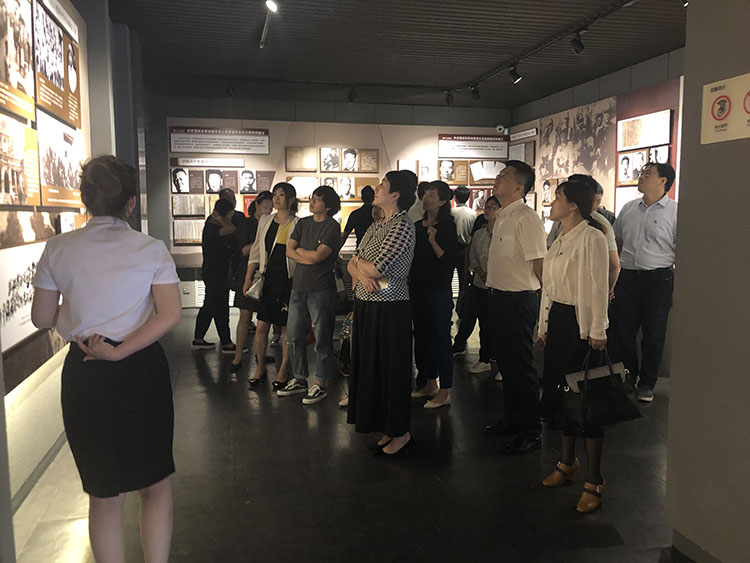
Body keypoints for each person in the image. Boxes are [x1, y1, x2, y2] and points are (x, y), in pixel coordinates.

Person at [31, 155, 181, 562]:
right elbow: (170, 314)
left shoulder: (58, 248)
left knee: (103, 493)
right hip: (141, 369)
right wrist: (119, 351)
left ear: (85, 199)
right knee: (154, 485)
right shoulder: (150, 249)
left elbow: (42, 317)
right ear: (130, 202)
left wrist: (78, 321)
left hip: (85, 370)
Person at [537, 178, 610, 513]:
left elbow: (598, 287)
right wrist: (544, 326)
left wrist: (598, 330)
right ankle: (567, 463)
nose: (552, 203)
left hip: (581, 327)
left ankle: (594, 479)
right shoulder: (561, 238)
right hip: (560, 323)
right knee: (562, 395)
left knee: (586, 402)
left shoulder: (592, 238)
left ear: (573, 206)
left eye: (557, 197)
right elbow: (550, 288)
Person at [347, 170, 416, 456]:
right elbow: (352, 263)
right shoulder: (378, 223)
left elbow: (376, 268)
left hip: (391, 307)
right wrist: (361, 270)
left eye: (383, 185)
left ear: (396, 194)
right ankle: (385, 426)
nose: (377, 188)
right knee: (372, 368)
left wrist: (361, 267)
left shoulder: (402, 225)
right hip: (367, 303)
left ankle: (400, 430)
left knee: (391, 370)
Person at [482, 160, 547, 455]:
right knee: (506, 365)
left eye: (505, 176)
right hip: (498, 297)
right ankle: (512, 418)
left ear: (519, 188)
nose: (498, 178)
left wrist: (545, 307)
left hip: (519, 300)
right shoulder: (502, 216)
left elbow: (540, 264)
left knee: (521, 367)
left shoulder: (526, 218)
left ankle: (531, 430)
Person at [611, 162, 677, 402]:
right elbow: (617, 243)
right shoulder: (629, 208)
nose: (641, 177)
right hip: (627, 277)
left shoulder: (675, 211)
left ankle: (647, 383)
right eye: (641, 173)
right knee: (623, 331)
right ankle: (628, 376)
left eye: (648, 174)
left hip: (658, 279)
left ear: (663, 181)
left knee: (654, 334)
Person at [280, 186, 341, 403]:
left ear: (328, 205)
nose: (312, 202)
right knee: (294, 336)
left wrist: (302, 254)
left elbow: (318, 257)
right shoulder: (303, 223)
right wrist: (308, 255)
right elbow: (289, 250)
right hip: (298, 287)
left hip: (321, 288)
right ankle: (299, 378)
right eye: (312, 198)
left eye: (317, 199)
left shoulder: (332, 226)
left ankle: (321, 382)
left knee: (322, 337)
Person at [243, 183, 299, 388]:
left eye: (281, 195)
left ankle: (284, 368)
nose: (276, 198)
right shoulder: (265, 220)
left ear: (291, 200)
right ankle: (260, 367)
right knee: (261, 325)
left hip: (287, 280)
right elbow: (256, 251)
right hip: (267, 279)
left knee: (285, 327)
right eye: (275, 195)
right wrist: (248, 277)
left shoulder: (298, 223)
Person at [409, 180, 458, 408]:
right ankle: (429, 382)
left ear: (443, 201)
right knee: (421, 337)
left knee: (440, 338)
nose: (426, 198)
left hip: (438, 290)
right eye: (426, 194)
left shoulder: (447, 226)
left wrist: (433, 241)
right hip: (417, 288)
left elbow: (448, 261)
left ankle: (445, 389)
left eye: (432, 195)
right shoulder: (417, 225)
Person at [547, 175, 620, 296]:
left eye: (558, 198)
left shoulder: (596, 231)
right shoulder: (559, 224)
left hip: (580, 299)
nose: (552, 203)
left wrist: (606, 293)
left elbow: (612, 266)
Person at [230, 190, 274, 372]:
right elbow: (243, 250)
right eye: (265, 207)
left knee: (264, 319)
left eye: (270, 208)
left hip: (265, 271)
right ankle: (238, 356)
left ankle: (260, 353)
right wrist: (260, 239)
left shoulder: (271, 223)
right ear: (257, 205)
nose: (267, 211)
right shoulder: (246, 224)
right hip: (247, 271)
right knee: (245, 315)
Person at [192, 198, 239, 354]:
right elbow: (232, 228)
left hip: (214, 272)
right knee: (220, 307)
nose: (231, 217)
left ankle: (199, 338)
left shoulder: (212, 225)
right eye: (230, 214)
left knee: (210, 305)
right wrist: (220, 217)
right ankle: (226, 342)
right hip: (216, 273)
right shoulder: (213, 227)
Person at [464, 196, 500, 375]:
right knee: (484, 324)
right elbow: (473, 258)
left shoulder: (504, 234)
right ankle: (484, 358)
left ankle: (501, 362)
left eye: (493, 207)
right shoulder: (479, 234)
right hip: (481, 284)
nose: (488, 210)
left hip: (501, 287)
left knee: (500, 326)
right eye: (487, 206)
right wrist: (481, 272)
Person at [450, 185, 476, 354]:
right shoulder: (472, 213)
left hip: (451, 248)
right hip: (466, 249)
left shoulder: (451, 212)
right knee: (463, 281)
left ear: (455, 197)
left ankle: (449, 310)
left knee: (446, 279)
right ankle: (461, 309)